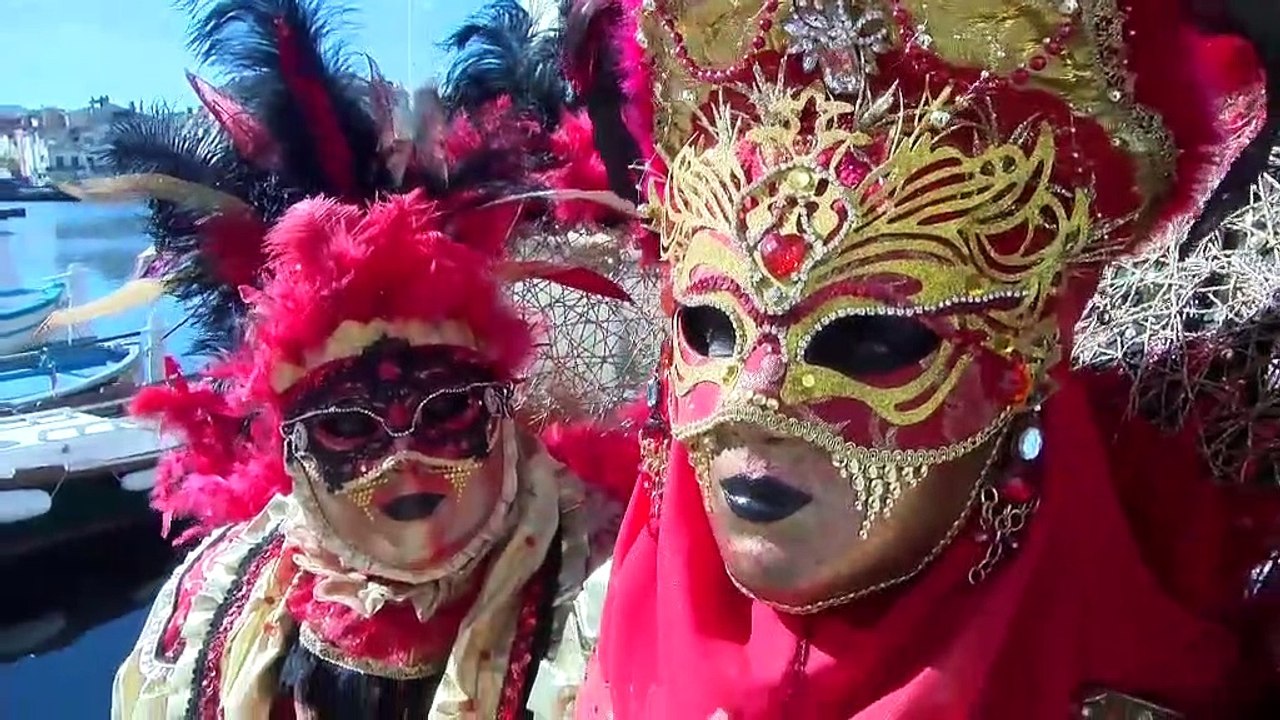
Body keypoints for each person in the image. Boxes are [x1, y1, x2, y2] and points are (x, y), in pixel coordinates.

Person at [572, 0, 1280, 717]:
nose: (751, 402)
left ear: (1025, 356)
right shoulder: (597, 619)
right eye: (709, 325)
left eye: (868, 335)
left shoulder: (1155, 668)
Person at [100, 1, 651, 717]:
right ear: (291, 444)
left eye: (446, 411)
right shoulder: (212, 614)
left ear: (501, 405)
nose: (402, 462)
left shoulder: (611, 593)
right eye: (347, 430)